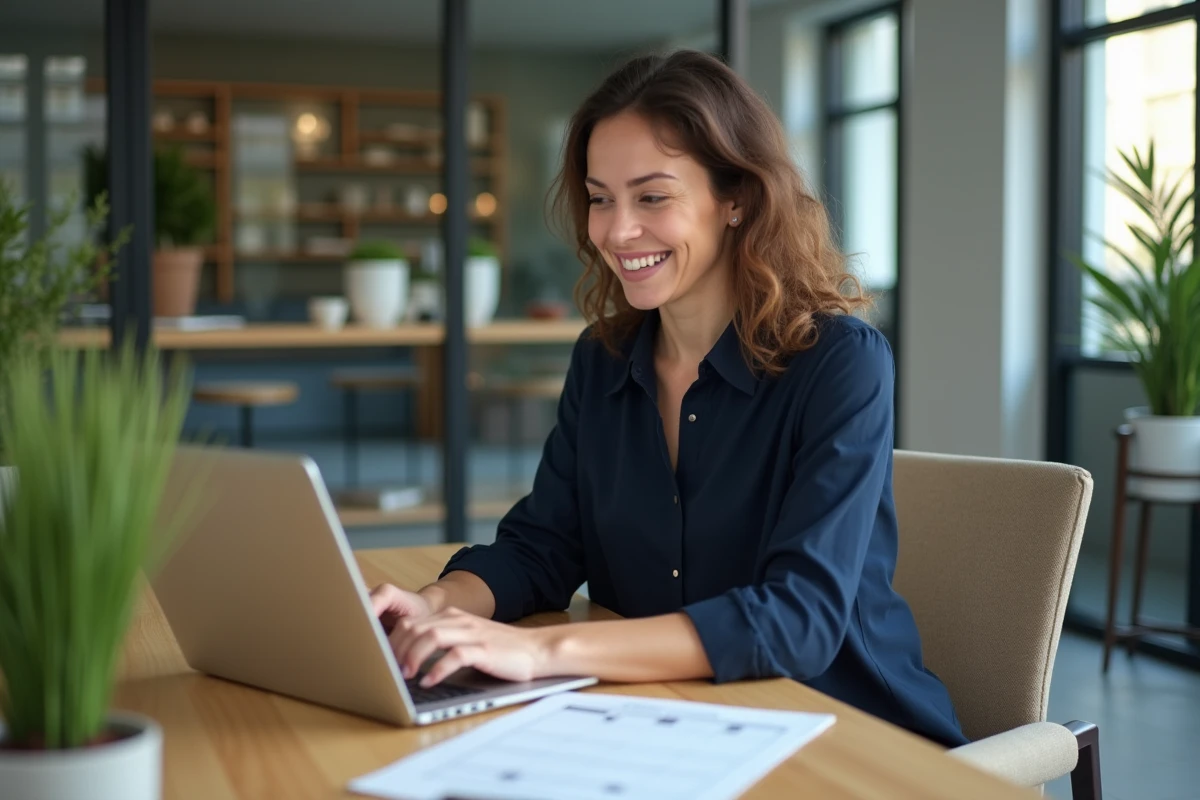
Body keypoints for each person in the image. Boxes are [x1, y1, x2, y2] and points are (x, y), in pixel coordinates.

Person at [369, 49, 967, 748]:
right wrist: (432, 606)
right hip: (669, 721)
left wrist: (538, 655)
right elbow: (543, 547)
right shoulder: (602, 360)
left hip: (847, 732)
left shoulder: (839, 364)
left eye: (652, 197)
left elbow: (797, 620)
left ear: (736, 198)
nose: (617, 232)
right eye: (600, 198)